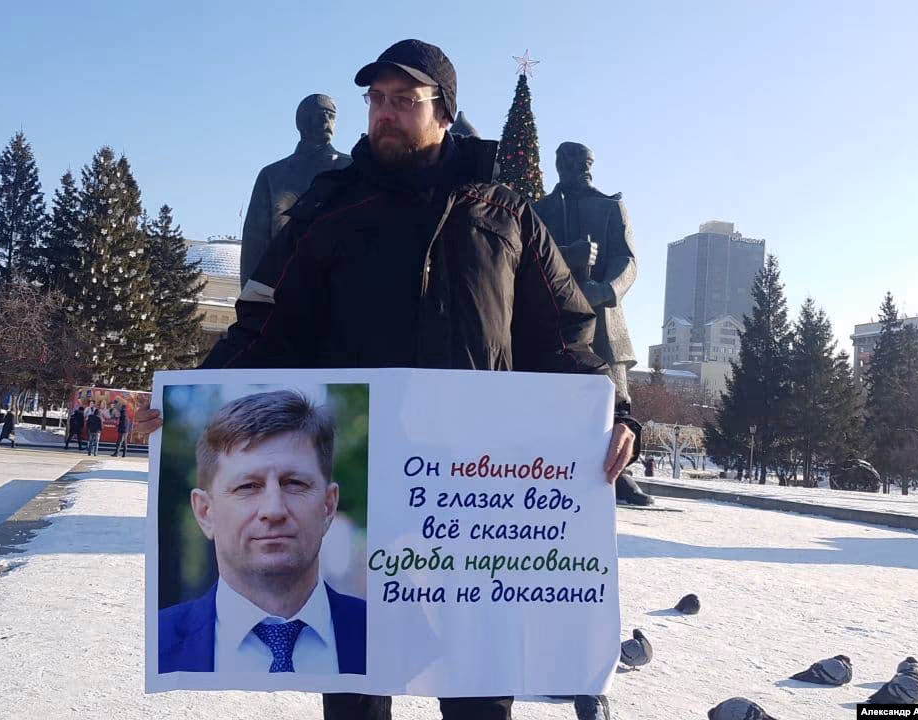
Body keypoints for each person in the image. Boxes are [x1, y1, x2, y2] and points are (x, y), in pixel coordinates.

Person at [138, 38, 639, 720]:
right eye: (376, 99)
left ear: (444, 111)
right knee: (357, 687)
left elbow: (565, 335)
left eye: (404, 100)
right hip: (370, 492)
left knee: (478, 696)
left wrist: (616, 415)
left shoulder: (506, 214)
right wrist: (189, 396)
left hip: (474, 498)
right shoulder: (329, 210)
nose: (384, 113)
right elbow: (266, 326)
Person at [158, 390, 365, 675]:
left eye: (294, 483)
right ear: (205, 512)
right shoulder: (152, 647)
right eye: (248, 486)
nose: (274, 510)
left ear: (328, 507)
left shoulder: (389, 640)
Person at [534, 141, 651, 506]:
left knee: (612, 388)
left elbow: (627, 261)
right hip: (554, 312)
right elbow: (529, 255)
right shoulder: (539, 210)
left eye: (580, 162)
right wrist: (569, 255)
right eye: (566, 162)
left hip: (601, 313)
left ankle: (619, 470)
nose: (574, 169)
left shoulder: (610, 206)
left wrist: (603, 290)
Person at [240, 94, 353, 289]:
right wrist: (252, 296)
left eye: (331, 115)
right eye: (320, 114)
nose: (327, 120)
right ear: (301, 121)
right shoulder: (273, 175)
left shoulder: (352, 169)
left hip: (339, 286)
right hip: (283, 286)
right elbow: (255, 245)